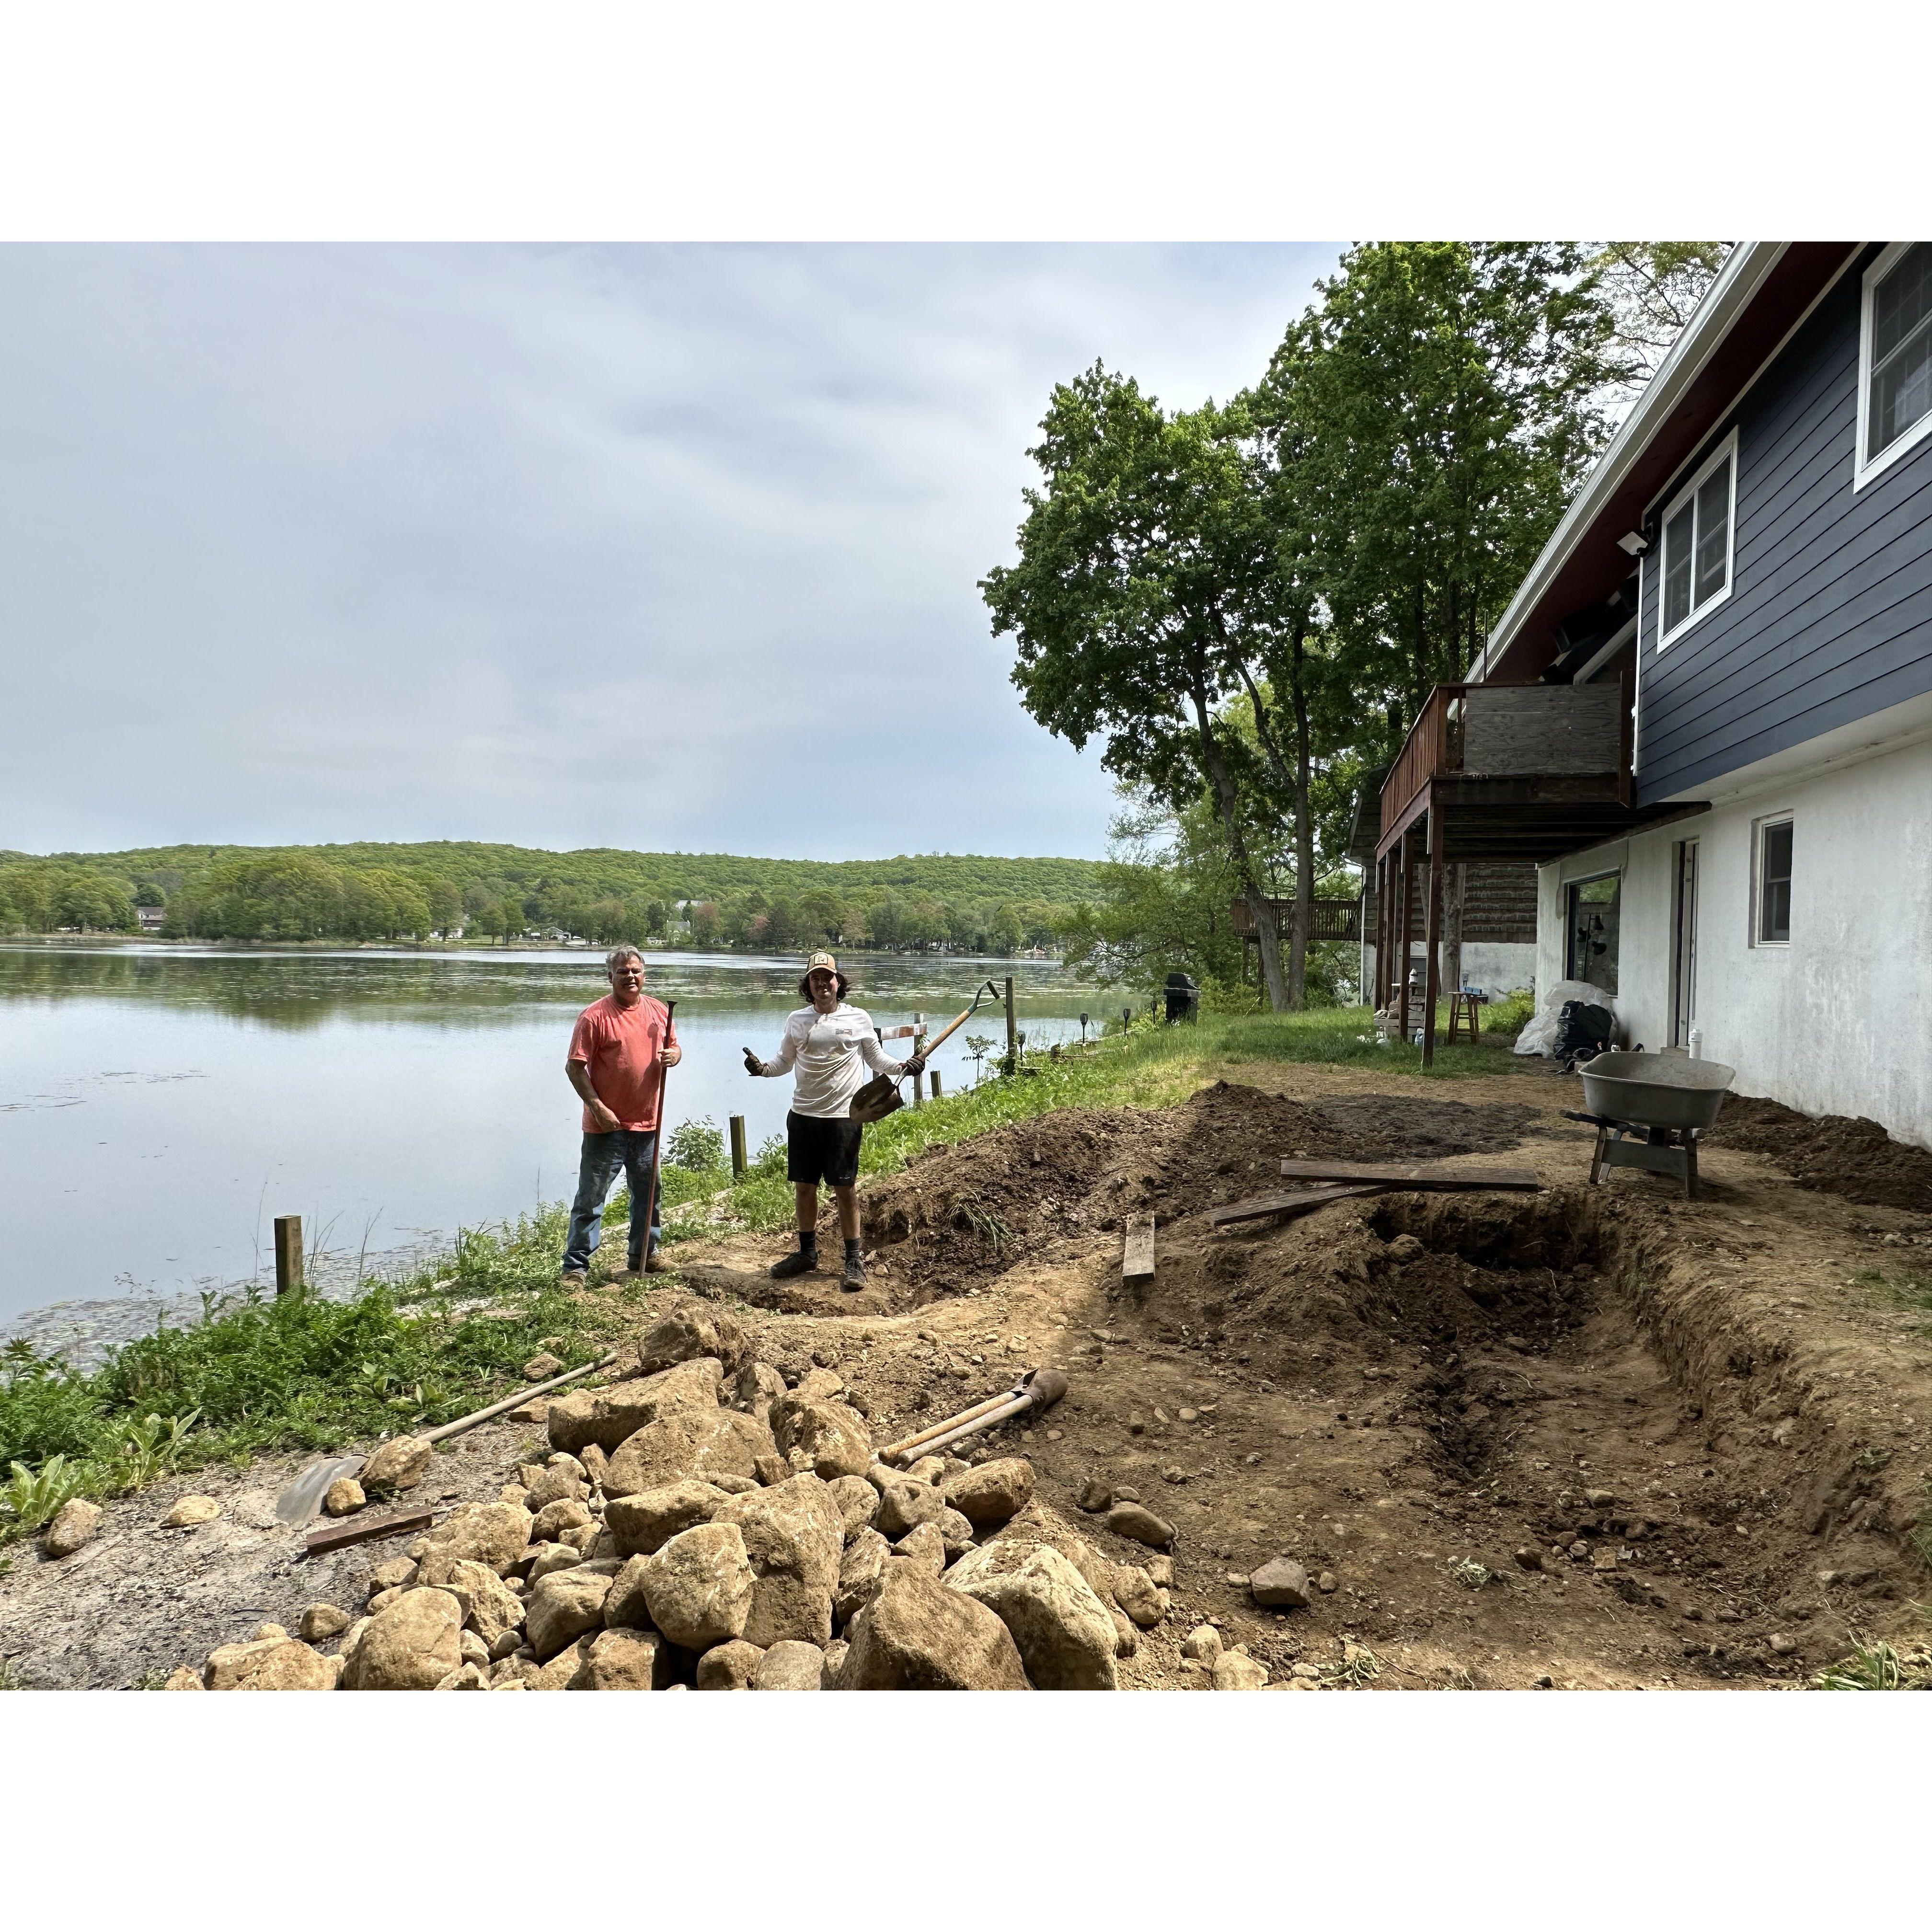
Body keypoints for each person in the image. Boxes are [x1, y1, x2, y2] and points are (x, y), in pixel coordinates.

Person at [743, 951, 922, 1290]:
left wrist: (904, 1067)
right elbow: (783, 1061)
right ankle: (807, 1253)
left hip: (844, 1117)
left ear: (839, 983)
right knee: (805, 1187)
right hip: (803, 1115)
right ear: (807, 985)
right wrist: (763, 1070)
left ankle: (853, 1259)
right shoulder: (797, 1020)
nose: (822, 983)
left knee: (846, 1189)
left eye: (828, 977)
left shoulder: (858, 1018)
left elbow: (876, 1057)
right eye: (816, 978)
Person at [559, 946, 681, 1285]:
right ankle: (575, 1268)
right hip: (606, 1127)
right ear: (610, 976)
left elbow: (674, 1046)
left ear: (644, 975)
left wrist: (675, 1054)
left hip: (647, 1122)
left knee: (648, 1195)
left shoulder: (659, 1011)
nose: (631, 976)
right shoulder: (594, 1016)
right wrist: (598, 1107)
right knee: (591, 1199)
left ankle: (645, 1256)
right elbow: (574, 1068)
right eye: (623, 971)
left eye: (636, 971)